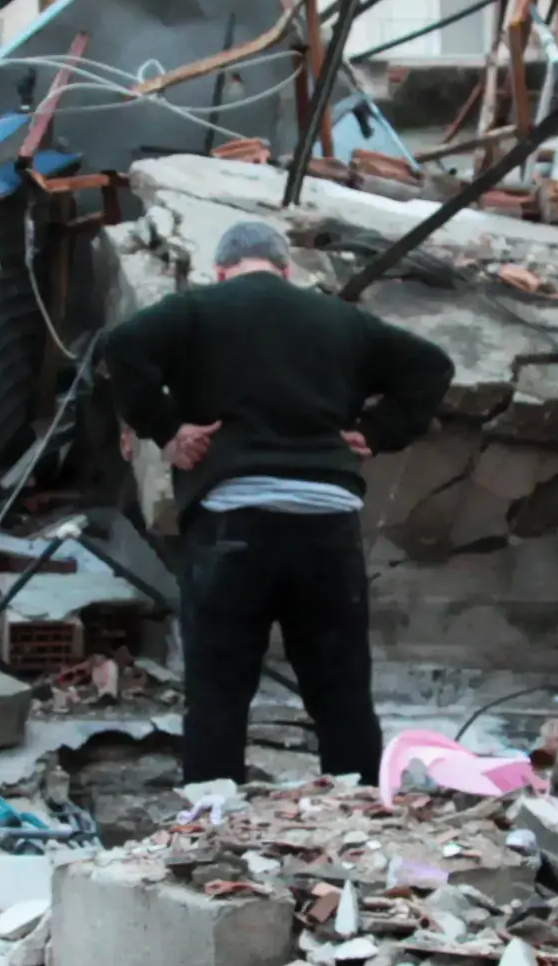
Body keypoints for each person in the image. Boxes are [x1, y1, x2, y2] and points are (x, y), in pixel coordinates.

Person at [94, 216, 451, 783]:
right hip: (327, 525)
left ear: (221, 270)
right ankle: (360, 820)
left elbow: (123, 345)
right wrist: (380, 433)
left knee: (219, 694)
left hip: (233, 520)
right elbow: (431, 366)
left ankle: (210, 824)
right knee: (341, 694)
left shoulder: (198, 309)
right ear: (287, 269)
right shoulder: (342, 320)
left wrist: (166, 430)